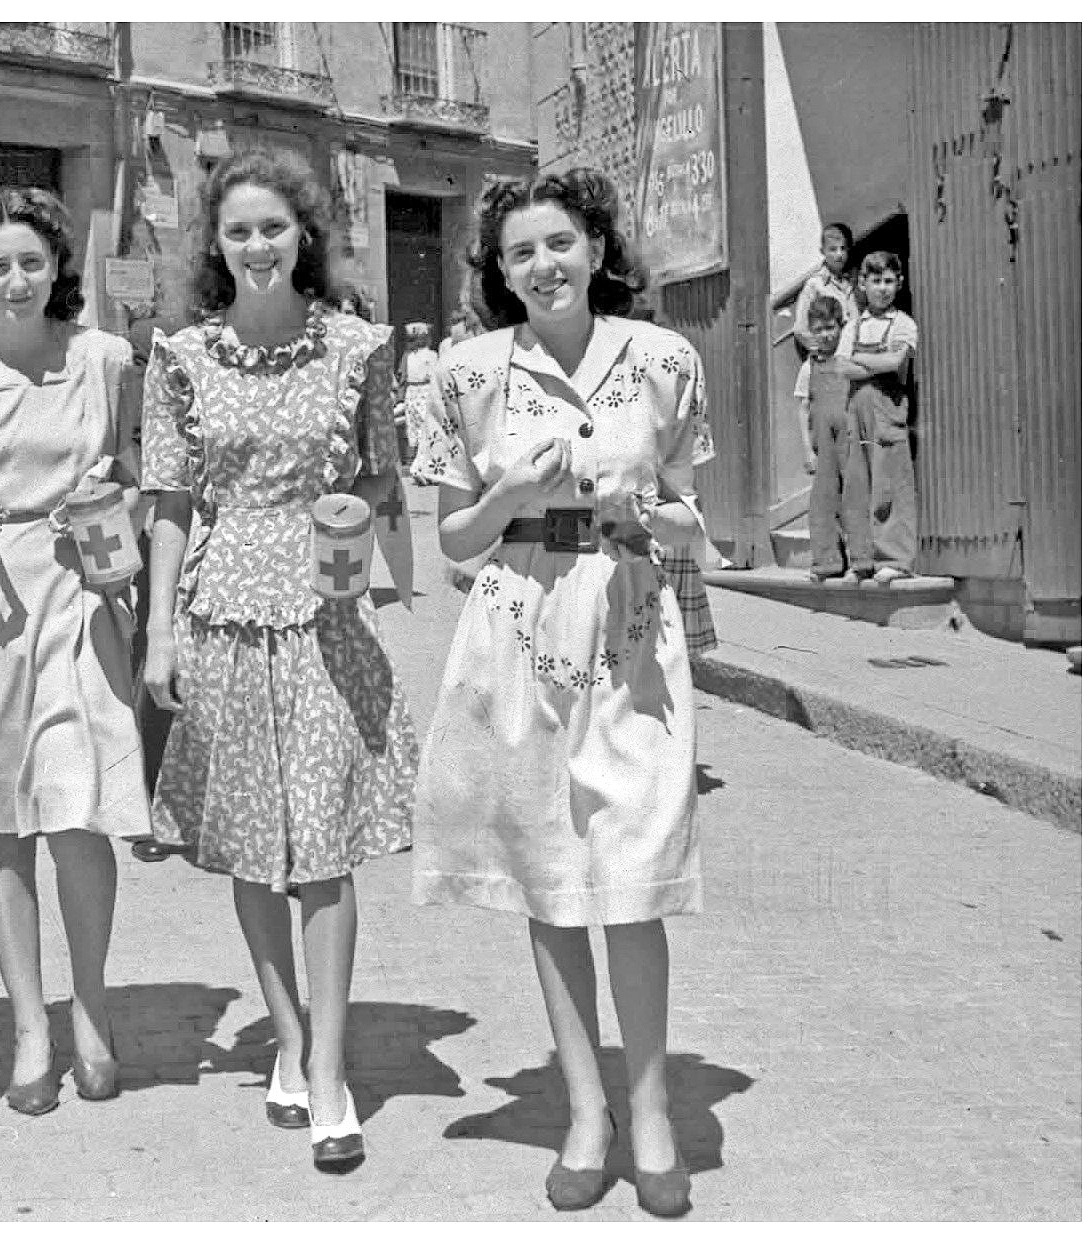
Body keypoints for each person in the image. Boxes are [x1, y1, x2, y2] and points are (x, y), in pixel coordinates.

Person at [411, 168, 714, 1218]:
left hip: (628, 621)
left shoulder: (665, 357)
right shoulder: (464, 373)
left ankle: (652, 1107)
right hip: (518, 621)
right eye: (517, 252)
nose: (542, 265)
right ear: (496, 271)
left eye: (559, 243)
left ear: (595, 244)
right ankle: (584, 1111)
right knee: (548, 872)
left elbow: (688, 511)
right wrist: (506, 493)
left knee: (630, 870)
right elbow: (451, 533)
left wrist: (660, 520)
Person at [139, 147, 417, 1175]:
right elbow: (168, 504)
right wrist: (159, 630)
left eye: (273, 227)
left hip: (326, 610)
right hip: (220, 608)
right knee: (255, 840)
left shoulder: (356, 349)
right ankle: (288, 1036)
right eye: (237, 229)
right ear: (214, 244)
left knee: (325, 840)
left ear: (305, 234)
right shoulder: (180, 357)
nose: (257, 245)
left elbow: (384, 482)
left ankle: (332, 1068)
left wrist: (394, 585)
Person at [0, 187, 149, 1115]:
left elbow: (147, 474)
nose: (16, 280)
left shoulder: (104, 358)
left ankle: (90, 1009)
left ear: (58, 268)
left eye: (32, 262)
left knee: (79, 810)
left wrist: (118, 507)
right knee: (5, 818)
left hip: (85, 589)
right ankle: (30, 1025)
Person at [828, 251, 918, 585]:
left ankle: (894, 559)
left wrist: (860, 361)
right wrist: (872, 362)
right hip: (857, 415)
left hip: (888, 412)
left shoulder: (903, 324)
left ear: (899, 283)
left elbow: (896, 363)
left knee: (890, 483)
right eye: (876, 281)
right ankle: (862, 560)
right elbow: (841, 368)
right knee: (858, 485)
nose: (883, 289)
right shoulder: (855, 325)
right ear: (863, 285)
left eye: (889, 281)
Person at [795, 295, 874, 584]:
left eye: (830, 328)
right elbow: (802, 409)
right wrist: (807, 450)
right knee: (823, 500)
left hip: (850, 438)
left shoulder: (848, 362)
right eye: (819, 330)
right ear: (811, 333)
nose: (826, 335)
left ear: (840, 327)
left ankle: (862, 561)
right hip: (823, 443)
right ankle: (827, 562)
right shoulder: (808, 367)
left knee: (855, 495)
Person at [791, 222, 858, 358]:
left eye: (843, 249)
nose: (839, 254)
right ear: (823, 251)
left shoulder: (850, 283)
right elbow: (800, 329)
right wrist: (822, 352)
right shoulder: (815, 285)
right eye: (833, 249)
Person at [397, 322, 439, 484]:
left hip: (425, 392)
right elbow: (403, 376)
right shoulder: (408, 356)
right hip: (412, 393)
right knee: (413, 427)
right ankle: (416, 462)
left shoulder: (431, 355)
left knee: (424, 427)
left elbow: (434, 374)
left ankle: (425, 463)